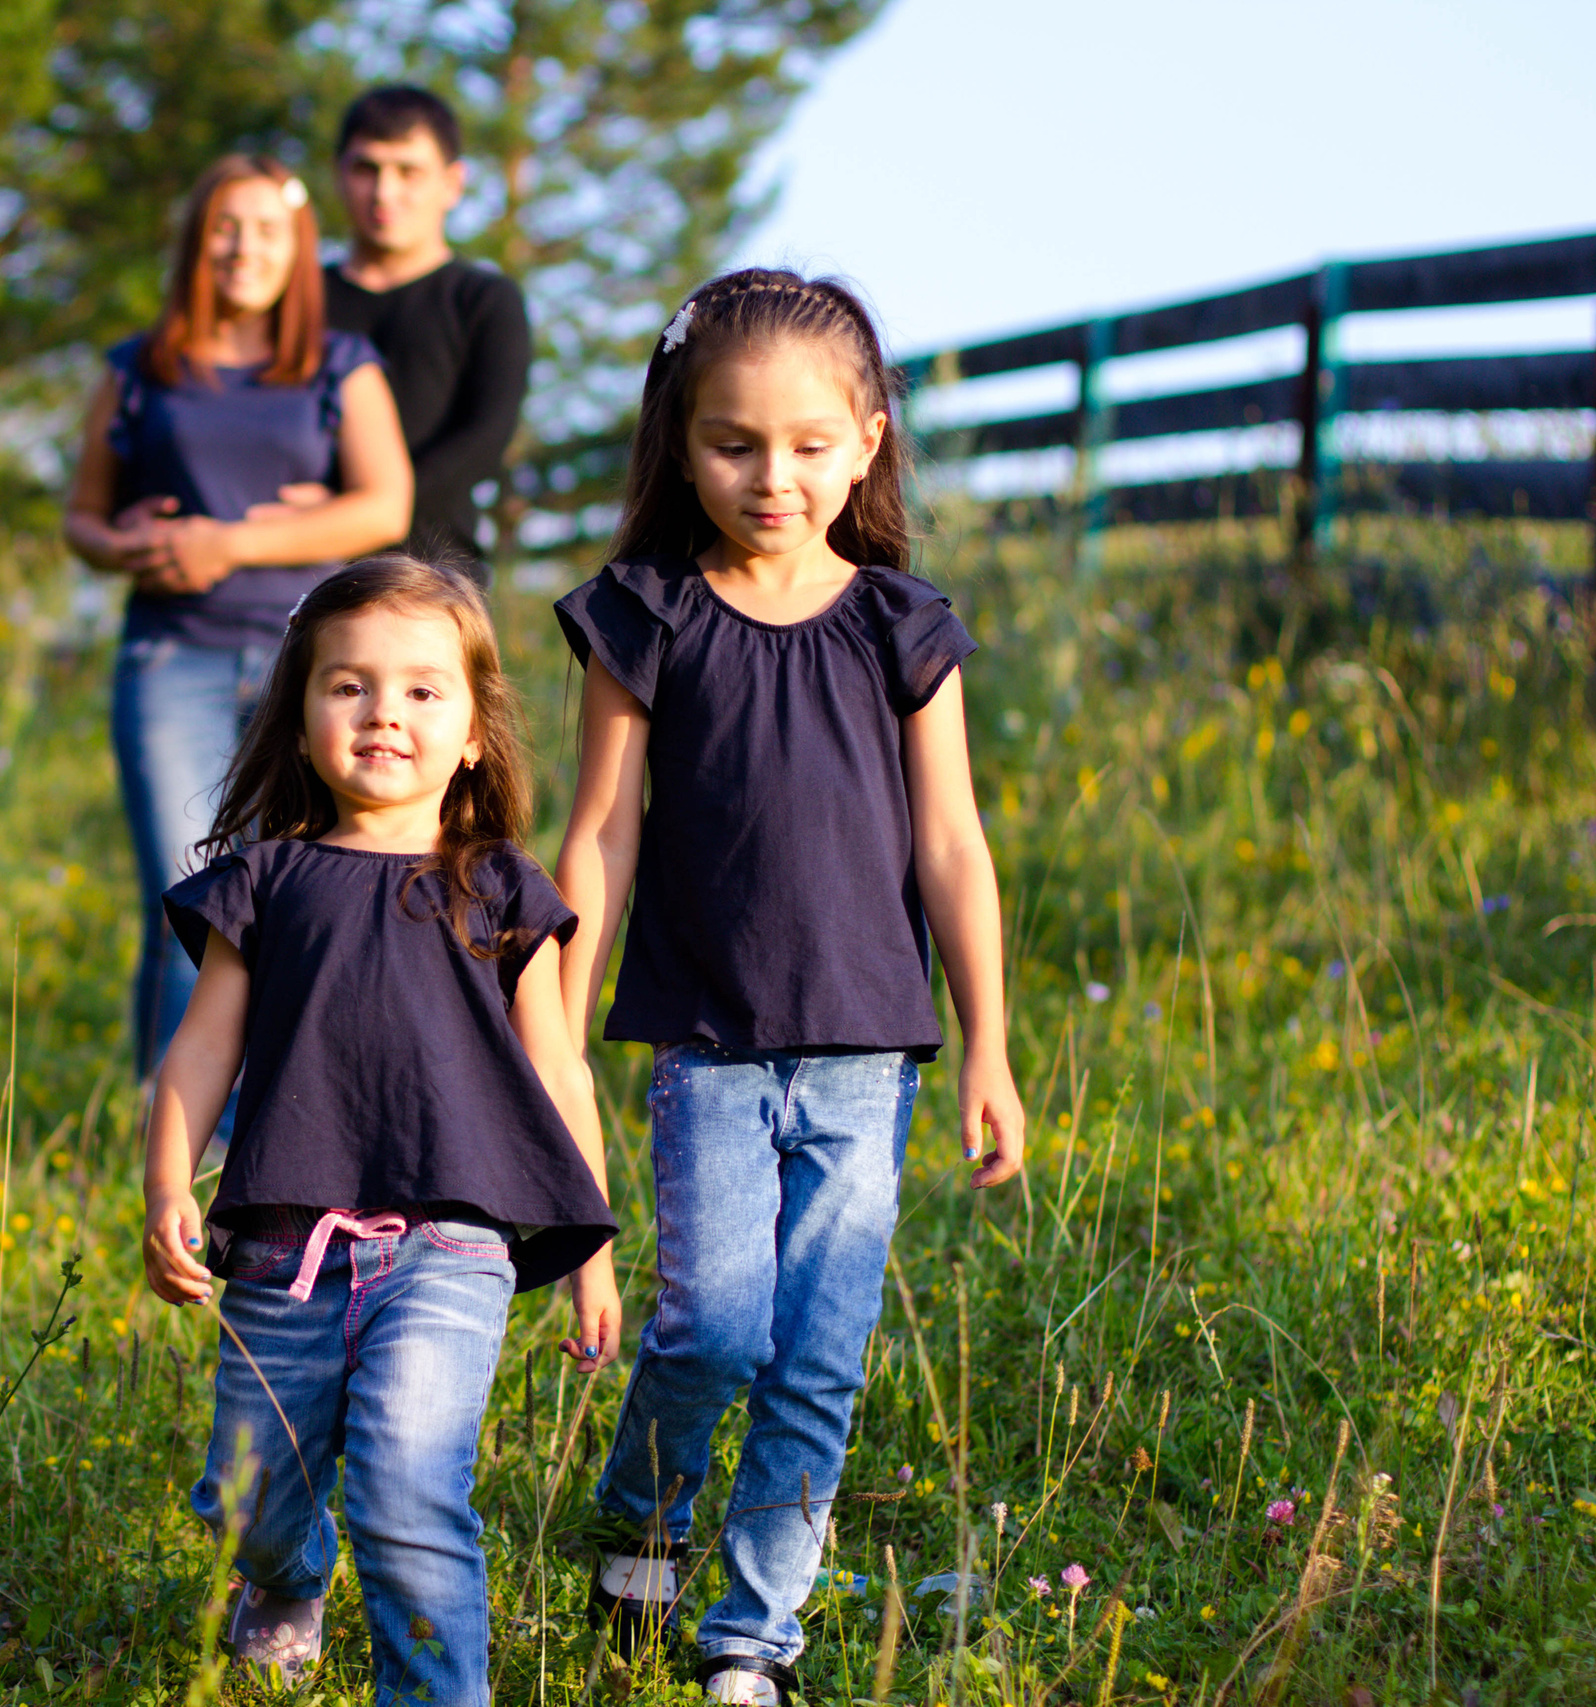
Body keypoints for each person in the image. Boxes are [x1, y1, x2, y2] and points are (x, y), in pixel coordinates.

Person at [550, 269, 1028, 1705]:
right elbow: (600, 830)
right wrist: (555, 1035)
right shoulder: (646, 617)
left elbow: (952, 838)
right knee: (712, 1327)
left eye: (812, 444)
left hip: (870, 1050)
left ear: (869, 442)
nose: (774, 477)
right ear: (680, 443)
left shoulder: (903, 624)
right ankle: (642, 1523)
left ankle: (751, 1636)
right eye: (734, 444)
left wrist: (991, 1043)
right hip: (708, 1040)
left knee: (818, 1355)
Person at [142, 556, 620, 1704]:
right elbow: (203, 1049)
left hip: (454, 1240)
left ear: (470, 731)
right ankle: (290, 1576)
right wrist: (167, 1180)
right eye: (347, 686)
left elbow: (559, 1066)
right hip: (281, 1243)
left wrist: (592, 1248)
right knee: (249, 1499)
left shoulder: (504, 887)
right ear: (300, 713)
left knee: (408, 1482)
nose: (381, 714)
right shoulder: (263, 880)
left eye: (420, 690)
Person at [65, 155, 413, 1087]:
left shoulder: (342, 365)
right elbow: (82, 519)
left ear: (298, 248)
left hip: (305, 668)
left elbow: (385, 506)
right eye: (226, 226)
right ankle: (175, 1134)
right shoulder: (137, 370)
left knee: (294, 888)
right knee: (185, 891)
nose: (243, 247)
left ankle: (285, 1110)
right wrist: (120, 541)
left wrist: (237, 543)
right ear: (196, 241)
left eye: (266, 229)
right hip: (170, 655)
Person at [321, 86, 531, 579]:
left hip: (437, 574)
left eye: (407, 171)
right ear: (339, 175)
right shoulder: (296, 303)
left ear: (453, 183)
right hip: (297, 576)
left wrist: (349, 513)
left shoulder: (486, 301)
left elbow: (484, 439)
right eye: (366, 169)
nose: (384, 192)